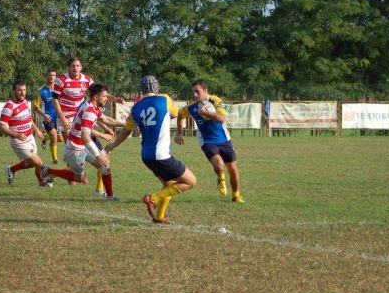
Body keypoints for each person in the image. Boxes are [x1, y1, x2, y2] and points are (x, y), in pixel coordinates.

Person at [106, 75, 196, 223]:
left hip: (146, 156)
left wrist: (114, 144)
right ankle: (152, 199)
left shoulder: (135, 108)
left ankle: (159, 217)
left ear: (142, 90)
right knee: (190, 181)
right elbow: (175, 114)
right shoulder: (164, 99)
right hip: (160, 155)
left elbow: (126, 130)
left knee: (169, 185)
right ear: (156, 87)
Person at [41, 83, 125, 201]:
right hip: (75, 149)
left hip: (83, 145)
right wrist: (98, 154)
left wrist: (126, 125)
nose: (107, 99)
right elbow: (86, 137)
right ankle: (48, 171)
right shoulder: (89, 111)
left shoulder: (93, 106)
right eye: (105, 96)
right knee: (78, 178)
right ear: (96, 97)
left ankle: (110, 196)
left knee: (105, 167)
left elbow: (105, 119)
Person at [52, 56, 121, 193]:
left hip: (82, 118)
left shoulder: (88, 83)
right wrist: (63, 118)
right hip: (69, 119)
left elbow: (99, 93)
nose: (75, 68)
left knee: (103, 161)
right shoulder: (62, 80)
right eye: (73, 66)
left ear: (81, 67)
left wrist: (115, 100)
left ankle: (101, 190)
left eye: (78, 66)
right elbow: (55, 99)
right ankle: (72, 174)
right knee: (79, 150)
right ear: (69, 67)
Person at [175, 79, 244, 203]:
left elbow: (222, 119)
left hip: (224, 139)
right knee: (219, 165)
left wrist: (207, 113)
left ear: (205, 90)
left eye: (198, 92)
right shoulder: (191, 107)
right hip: (207, 140)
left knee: (233, 169)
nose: (195, 95)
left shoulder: (216, 101)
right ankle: (220, 178)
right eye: (193, 92)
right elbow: (179, 114)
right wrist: (179, 133)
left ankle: (236, 195)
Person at [0, 80, 52, 187]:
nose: (22, 93)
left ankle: (11, 169)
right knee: (39, 163)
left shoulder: (25, 102)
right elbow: (1, 127)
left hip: (29, 138)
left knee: (32, 163)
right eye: (19, 90)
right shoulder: (9, 107)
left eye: (24, 90)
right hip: (19, 142)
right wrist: (16, 135)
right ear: (14, 91)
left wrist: (36, 129)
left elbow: (28, 119)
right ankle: (44, 181)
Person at [33, 67, 61, 164]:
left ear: (56, 77)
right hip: (48, 117)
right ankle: (55, 160)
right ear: (46, 76)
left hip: (59, 117)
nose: (52, 77)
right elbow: (35, 106)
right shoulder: (41, 90)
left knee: (59, 138)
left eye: (53, 75)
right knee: (54, 135)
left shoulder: (59, 89)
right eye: (50, 75)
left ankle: (45, 138)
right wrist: (44, 114)